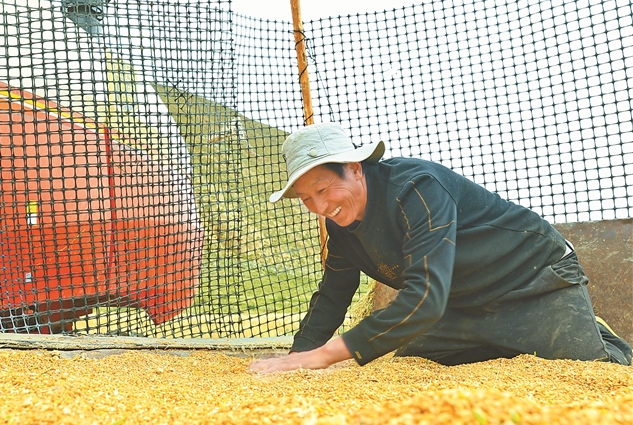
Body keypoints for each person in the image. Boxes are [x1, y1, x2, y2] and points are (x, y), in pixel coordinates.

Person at [249, 122, 631, 374]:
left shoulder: (415, 187)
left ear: (355, 168)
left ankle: (594, 331)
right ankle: (515, 336)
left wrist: (324, 356)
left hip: (533, 279)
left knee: (595, 369)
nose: (319, 206)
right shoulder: (342, 228)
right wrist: (298, 357)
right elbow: (333, 294)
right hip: (463, 303)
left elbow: (425, 298)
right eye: (306, 198)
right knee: (413, 362)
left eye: (323, 189)